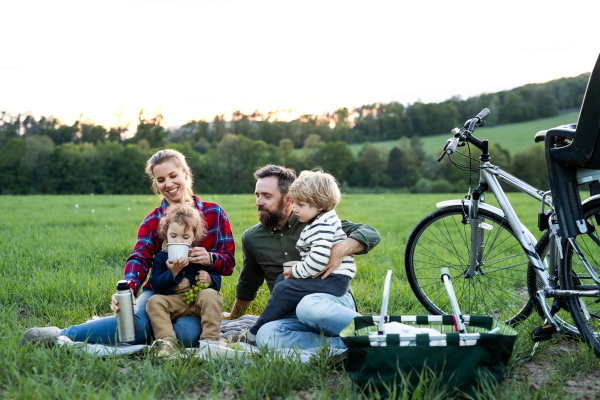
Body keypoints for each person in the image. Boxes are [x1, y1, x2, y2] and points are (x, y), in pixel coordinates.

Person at [22, 149, 235, 347]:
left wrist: (210, 258)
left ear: (186, 174)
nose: (168, 184)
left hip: (196, 296)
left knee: (186, 335)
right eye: (160, 180)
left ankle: (155, 334)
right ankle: (62, 334)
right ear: (155, 184)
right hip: (159, 292)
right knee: (135, 326)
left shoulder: (214, 213)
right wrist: (129, 289)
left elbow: (229, 263)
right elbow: (139, 259)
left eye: (173, 176)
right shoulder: (153, 220)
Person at [224, 165, 379, 350]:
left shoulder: (316, 221)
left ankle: (376, 330)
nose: (258, 202)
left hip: (330, 300)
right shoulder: (252, 238)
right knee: (267, 336)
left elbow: (370, 233)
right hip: (290, 314)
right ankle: (349, 343)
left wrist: (340, 249)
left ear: (288, 199)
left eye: (266, 196)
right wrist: (234, 316)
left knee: (308, 307)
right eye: (257, 195)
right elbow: (248, 283)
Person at [146, 203, 224, 357]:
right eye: (173, 236)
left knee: (211, 295)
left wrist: (210, 279)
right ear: (166, 233)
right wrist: (172, 273)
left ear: (194, 237)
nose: (178, 241)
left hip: (197, 302)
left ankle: (210, 343)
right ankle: (167, 342)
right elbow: (156, 285)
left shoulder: (198, 255)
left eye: (185, 237)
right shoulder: (162, 257)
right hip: (174, 302)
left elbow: (217, 277)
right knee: (154, 301)